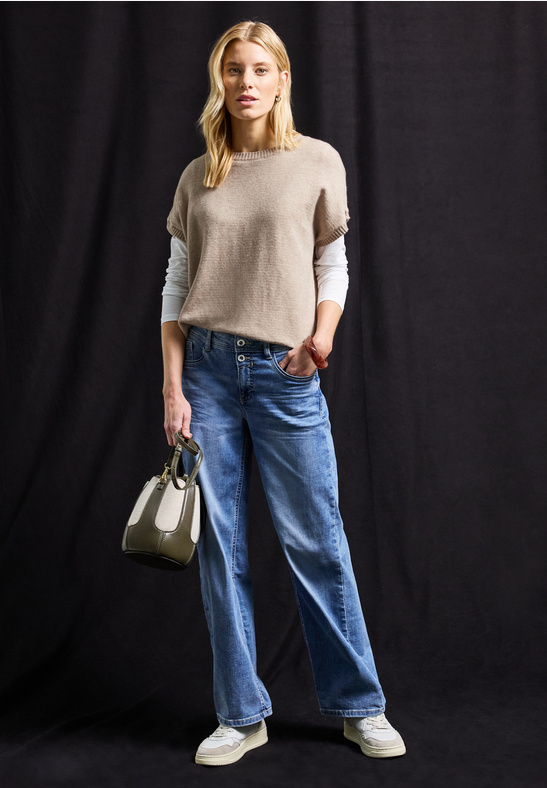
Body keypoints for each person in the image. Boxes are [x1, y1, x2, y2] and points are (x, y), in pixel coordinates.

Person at [161, 21, 406, 767]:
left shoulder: (316, 162)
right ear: (220, 79)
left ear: (282, 79)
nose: (246, 82)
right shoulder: (199, 173)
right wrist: (172, 388)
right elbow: (175, 287)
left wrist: (321, 337)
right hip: (205, 373)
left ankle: (360, 706)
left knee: (315, 540)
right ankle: (240, 715)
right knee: (219, 548)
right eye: (233, 69)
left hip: (285, 372)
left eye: (260, 69)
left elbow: (332, 265)